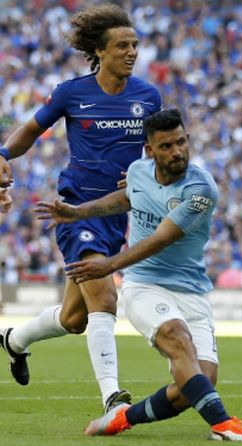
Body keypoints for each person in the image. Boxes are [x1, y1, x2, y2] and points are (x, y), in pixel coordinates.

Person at [35, 108, 242, 441]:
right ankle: (223, 423)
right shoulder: (138, 171)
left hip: (192, 291)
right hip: (144, 285)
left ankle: (124, 418)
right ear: (150, 150)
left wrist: (109, 264)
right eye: (167, 146)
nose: (177, 152)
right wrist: (79, 212)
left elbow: (163, 238)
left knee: (198, 383)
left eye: (181, 142)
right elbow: (128, 198)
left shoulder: (202, 189)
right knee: (177, 339)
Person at [0, 4, 162, 412]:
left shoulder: (148, 96)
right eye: (122, 46)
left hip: (118, 214)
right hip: (74, 209)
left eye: (135, 45)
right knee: (104, 299)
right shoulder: (73, 92)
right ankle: (112, 397)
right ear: (100, 51)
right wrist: (2, 153)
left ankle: (14, 339)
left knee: (76, 320)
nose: (131, 52)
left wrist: (148, 172)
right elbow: (32, 131)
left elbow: (160, 151)